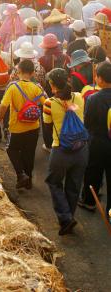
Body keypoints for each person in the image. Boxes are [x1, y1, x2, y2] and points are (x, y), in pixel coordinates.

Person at [43, 68, 88, 235]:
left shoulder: (49, 103)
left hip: (61, 150)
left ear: (52, 85)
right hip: (82, 149)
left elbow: (47, 126)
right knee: (74, 185)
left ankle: (66, 218)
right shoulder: (79, 97)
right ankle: (69, 216)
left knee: (54, 182)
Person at [0, 59, 46, 189]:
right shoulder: (37, 87)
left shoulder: (13, 87)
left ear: (18, 71)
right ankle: (28, 180)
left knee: (11, 149)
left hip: (16, 127)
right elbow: (46, 104)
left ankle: (20, 174)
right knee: (29, 153)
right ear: (33, 73)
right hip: (34, 127)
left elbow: (3, 105)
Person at [79, 62, 111, 219]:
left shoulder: (93, 99)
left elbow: (87, 123)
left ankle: (89, 201)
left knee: (93, 172)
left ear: (100, 79)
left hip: (97, 141)